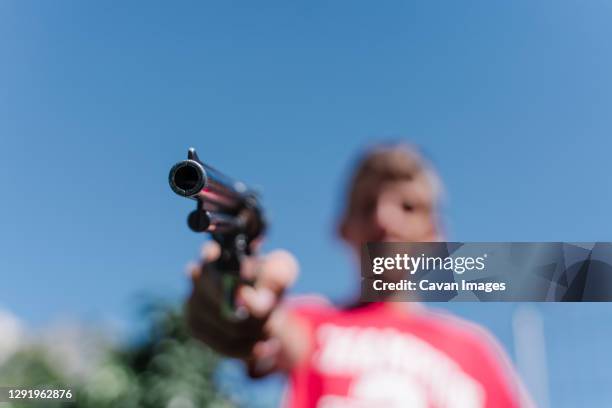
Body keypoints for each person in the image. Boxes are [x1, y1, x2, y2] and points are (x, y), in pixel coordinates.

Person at [187, 143, 532, 407]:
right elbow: (266, 329)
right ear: (342, 228)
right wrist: (238, 301)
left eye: (408, 206)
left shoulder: (475, 349)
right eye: (367, 205)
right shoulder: (312, 324)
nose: (385, 219)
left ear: (435, 234)